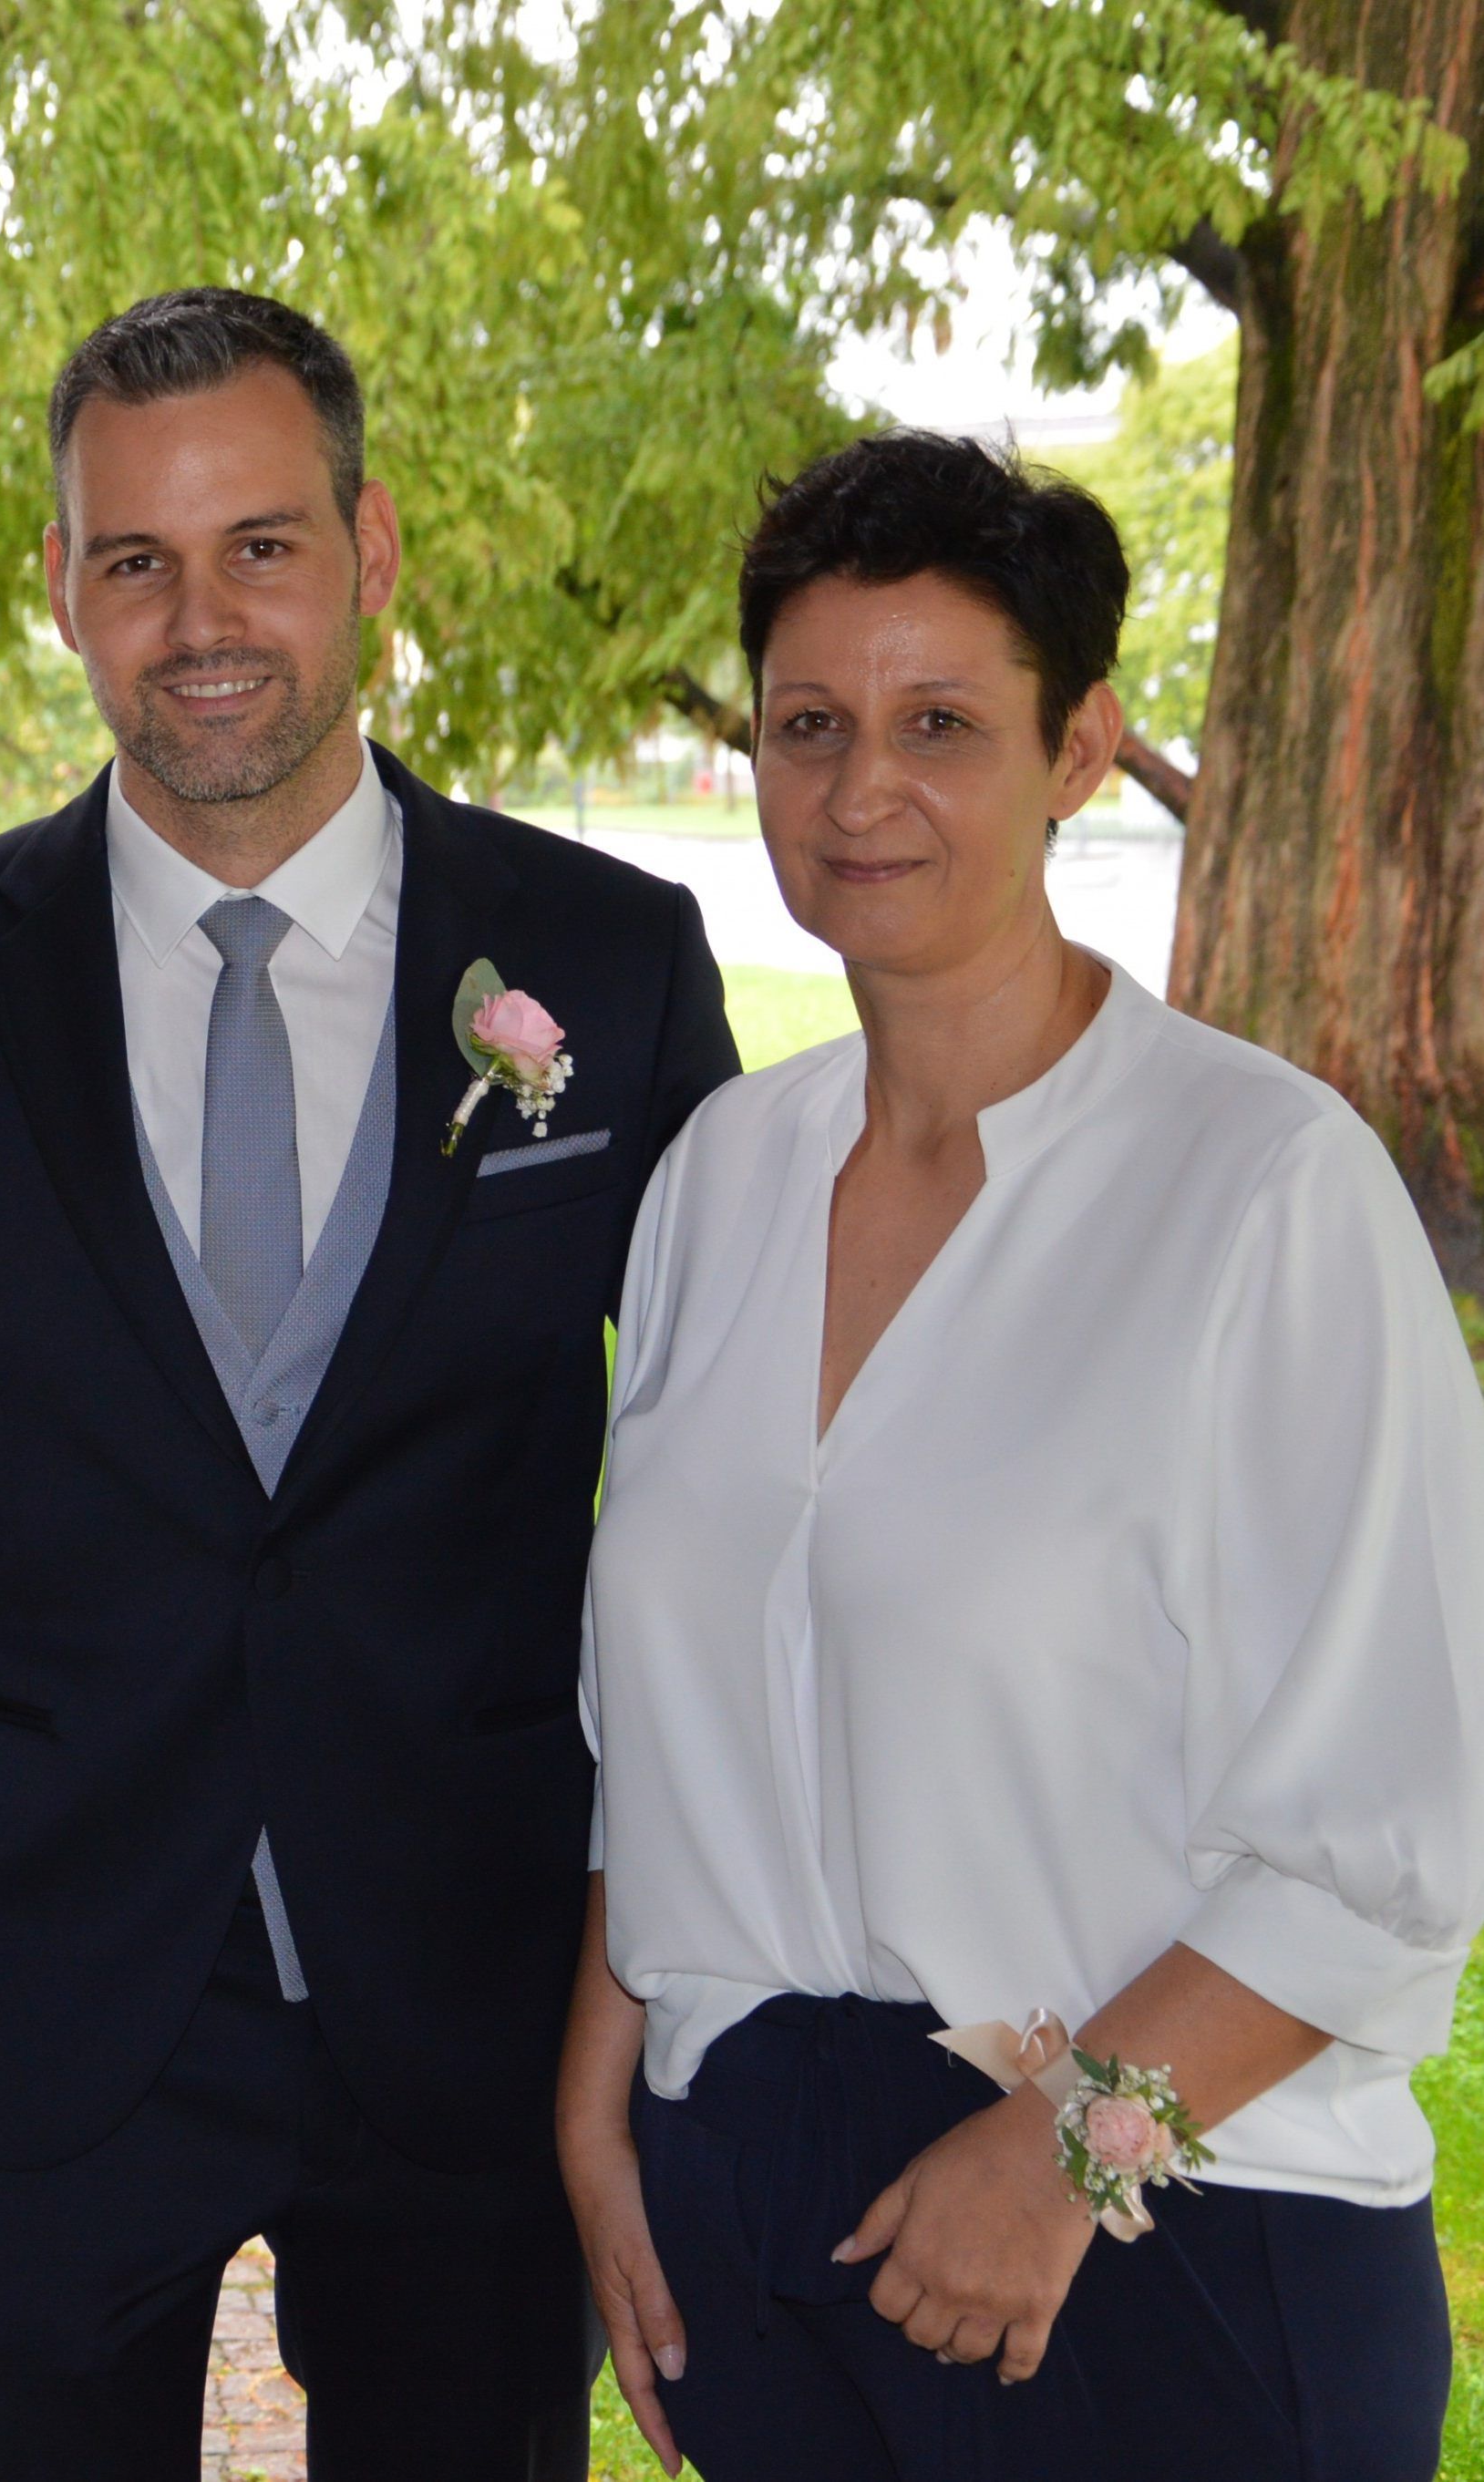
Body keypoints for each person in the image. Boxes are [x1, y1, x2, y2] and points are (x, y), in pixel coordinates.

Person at [0, 287, 741, 2478]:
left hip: (474, 1971)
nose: (203, 620)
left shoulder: (610, 961)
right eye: (136, 560)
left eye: (262, 547)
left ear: (372, 549)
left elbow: (728, 1483)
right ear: (64, 588)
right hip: (54, 1975)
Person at [562, 429, 1484, 2482]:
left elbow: (1390, 1833)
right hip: (773, 2227)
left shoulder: (1263, 1191)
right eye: (811, 721)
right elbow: (661, 1709)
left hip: (1156, 2239)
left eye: (942, 723)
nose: (861, 787)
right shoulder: (724, 1173)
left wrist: (1066, 2156)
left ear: (1081, 751)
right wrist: (597, 2105)